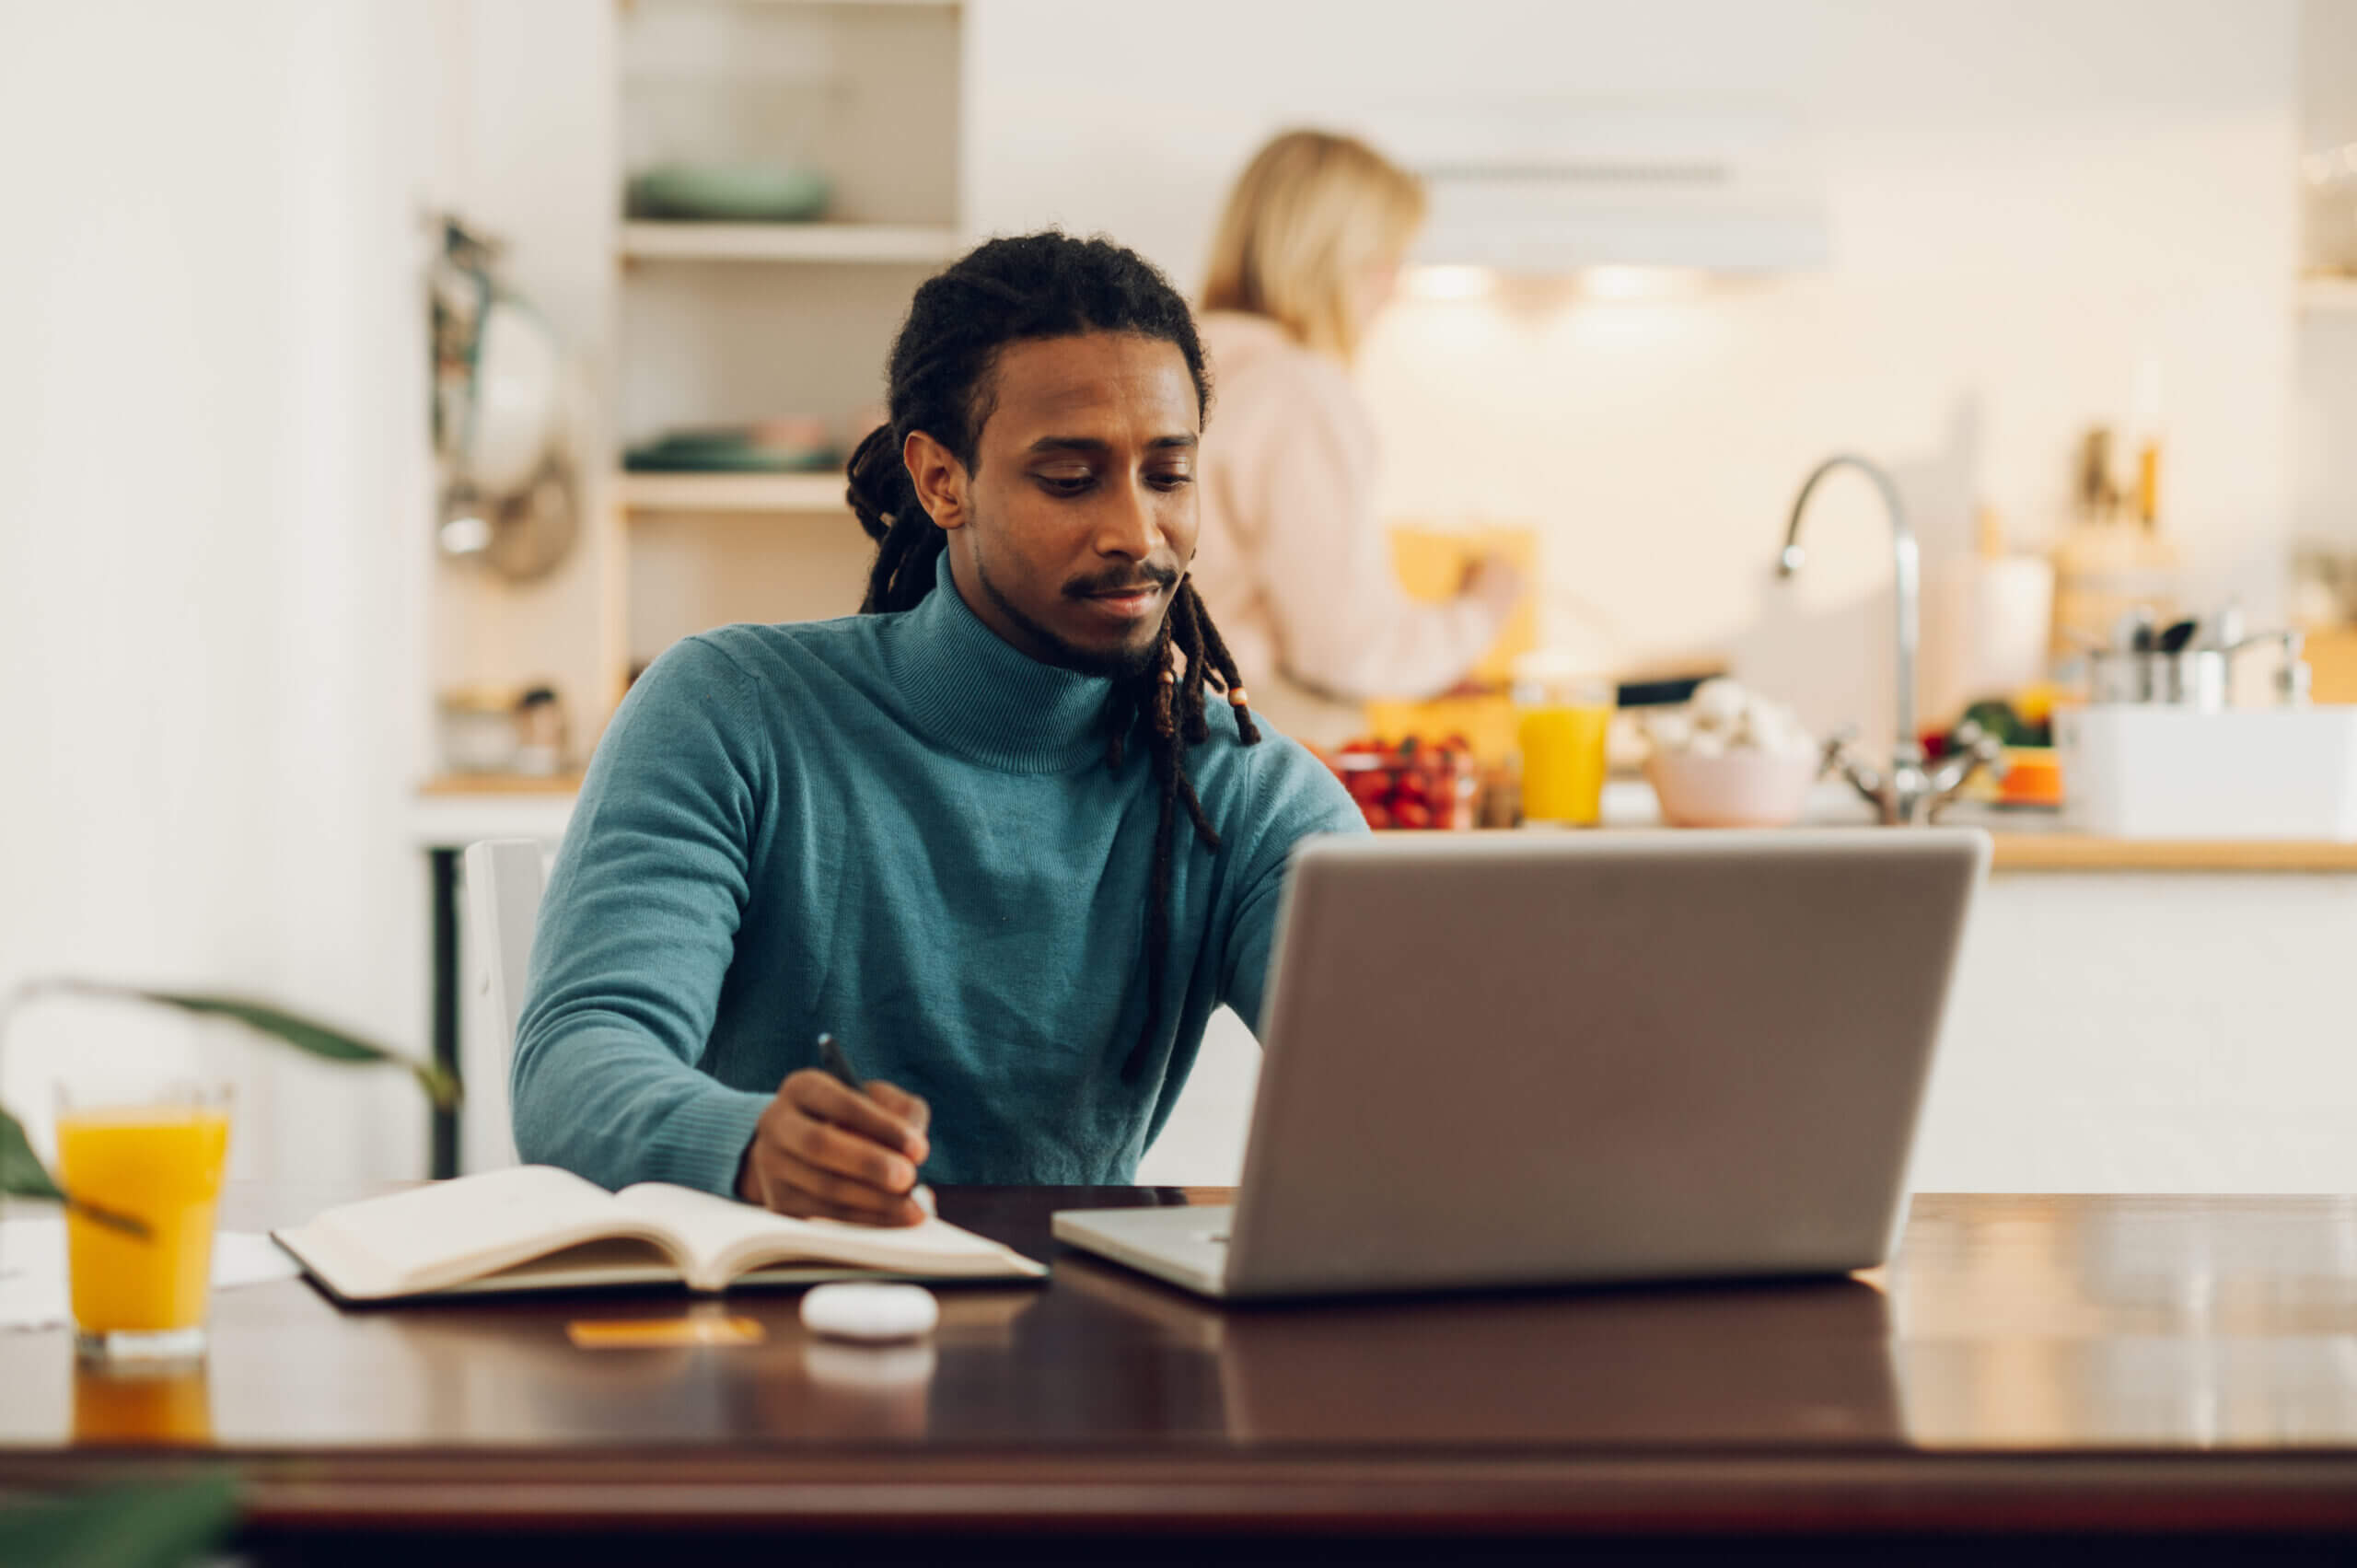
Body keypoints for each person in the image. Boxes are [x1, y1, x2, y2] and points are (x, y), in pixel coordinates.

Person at [510, 233, 1364, 1225]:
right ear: (939, 479)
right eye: (1070, 477)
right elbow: (575, 1061)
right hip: (770, 1331)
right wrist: (745, 1146)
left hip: (1083, 1347)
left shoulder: (1246, 795)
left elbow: (1400, 1073)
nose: (1137, 532)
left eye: (1167, 475)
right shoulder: (730, 708)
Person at [1192, 129, 1524, 748]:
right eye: (1388, 259)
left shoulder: (1174, 365)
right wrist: (1481, 610)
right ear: (1335, 263)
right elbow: (1346, 644)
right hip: (1254, 743)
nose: (1393, 286)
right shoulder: (1298, 392)